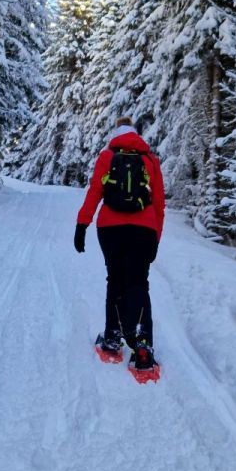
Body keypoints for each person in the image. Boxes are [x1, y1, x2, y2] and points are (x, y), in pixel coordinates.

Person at [74, 117, 165, 369]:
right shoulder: (151, 160)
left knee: (115, 280)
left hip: (110, 228)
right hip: (144, 228)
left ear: (116, 133)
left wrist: (82, 224)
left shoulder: (107, 156)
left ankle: (113, 339)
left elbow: (94, 191)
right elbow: (159, 203)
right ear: (136, 134)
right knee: (139, 283)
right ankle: (142, 345)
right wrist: (156, 235)